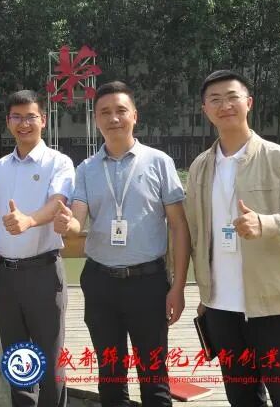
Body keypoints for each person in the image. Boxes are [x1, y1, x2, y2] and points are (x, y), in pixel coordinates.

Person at [184, 70, 280, 407]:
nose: (224, 105)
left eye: (232, 97)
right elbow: (193, 234)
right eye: (215, 100)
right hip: (221, 308)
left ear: (249, 103)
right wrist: (203, 294)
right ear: (205, 110)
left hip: (276, 305)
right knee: (242, 399)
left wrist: (266, 223)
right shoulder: (199, 168)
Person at [54, 81, 189, 407]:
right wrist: (67, 224)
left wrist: (178, 287)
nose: (113, 118)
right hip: (100, 283)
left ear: (134, 116)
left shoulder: (159, 162)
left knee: (154, 375)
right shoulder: (86, 169)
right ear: (96, 119)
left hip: (148, 283)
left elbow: (179, 227)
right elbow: (78, 220)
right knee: (110, 374)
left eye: (120, 111)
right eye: (105, 112)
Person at [0, 90, 75, 407]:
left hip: (43, 273)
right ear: (8, 121)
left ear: (43, 120)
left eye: (30, 117)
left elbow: (58, 203)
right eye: (17, 117)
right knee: (17, 357)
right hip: (4, 274)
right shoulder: (1, 166)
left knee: (50, 358)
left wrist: (29, 220)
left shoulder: (59, 162)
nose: (24, 124)